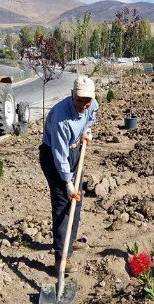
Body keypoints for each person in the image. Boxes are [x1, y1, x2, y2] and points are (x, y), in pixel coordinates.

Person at [39, 76, 98, 273]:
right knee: (64, 202)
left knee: (77, 201)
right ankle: (60, 257)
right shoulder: (60, 118)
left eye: (87, 100)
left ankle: (69, 242)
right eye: (79, 100)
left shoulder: (91, 103)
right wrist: (67, 182)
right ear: (72, 95)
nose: (83, 105)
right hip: (54, 156)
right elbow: (59, 154)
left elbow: (91, 115)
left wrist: (86, 130)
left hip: (74, 151)